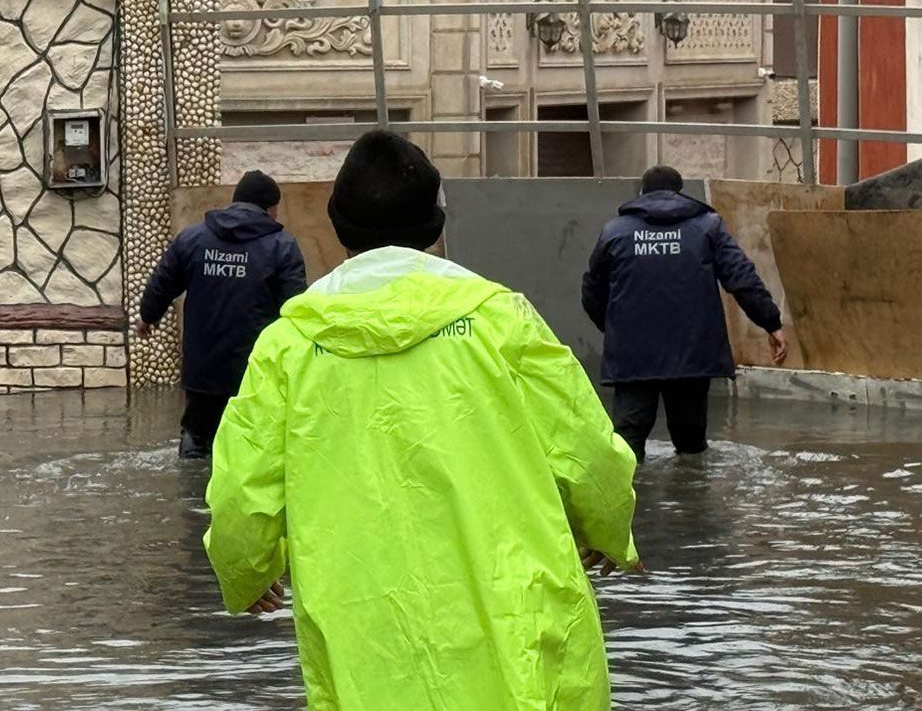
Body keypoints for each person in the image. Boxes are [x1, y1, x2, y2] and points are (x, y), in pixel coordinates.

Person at [204, 131, 642, 710]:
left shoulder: (288, 347)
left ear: (338, 227)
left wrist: (247, 567)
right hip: (516, 628)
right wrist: (606, 528)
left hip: (365, 637)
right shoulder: (501, 322)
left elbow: (242, 492)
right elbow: (587, 449)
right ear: (436, 227)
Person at [581, 165, 789, 463]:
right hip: (693, 352)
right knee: (691, 447)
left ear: (641, 193)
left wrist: (617, 330)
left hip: (634, 355)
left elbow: (592, 292)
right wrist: (772, 323)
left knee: (626, 447)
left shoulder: (615, 231)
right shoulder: (708, 227)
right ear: (680, 192)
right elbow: (742, 278)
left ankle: (630, 507)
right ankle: (692, 509)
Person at [137, 170, 306, 459]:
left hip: (202, 369)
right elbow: (295, 309)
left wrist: (148, 316)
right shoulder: (282, 247)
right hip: (255, 369)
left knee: (196, 441)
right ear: (270, 208)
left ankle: (189, 496)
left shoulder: (193, 239)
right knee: (250, 446)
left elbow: (163, 281)